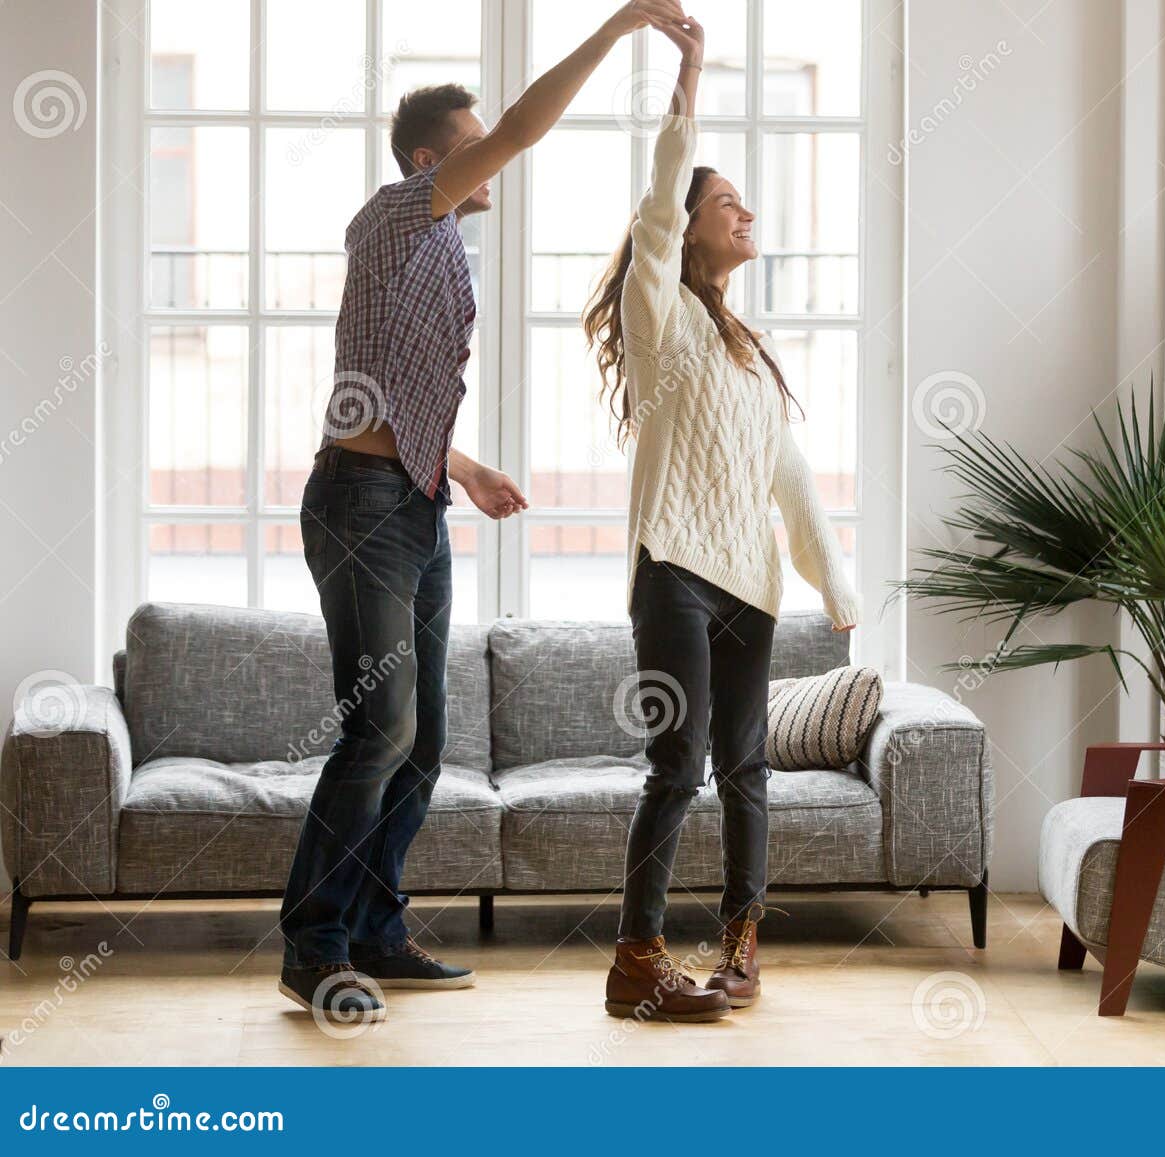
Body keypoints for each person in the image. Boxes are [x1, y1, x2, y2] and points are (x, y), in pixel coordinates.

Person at [279, 1, 691, 1023]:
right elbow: (519, 129)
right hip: (358, 503)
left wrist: (458, 467)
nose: (493, 162)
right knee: (379, 726)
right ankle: (312, 945)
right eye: (470, 148)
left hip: (411, 501)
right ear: (428, 159)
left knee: (422, 740)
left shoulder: (442, 251)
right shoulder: (390, 214)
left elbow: (375, 388)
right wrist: (618, 29)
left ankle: (377, 927)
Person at [582, 14, 861, 1023]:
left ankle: (742, 947)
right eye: (728, 204)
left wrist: (833, 579)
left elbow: (789, 475)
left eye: (747, 205)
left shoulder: (746, 348)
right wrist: (688, 76)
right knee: (679, 760)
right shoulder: (660, 315)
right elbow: (655, 210)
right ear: (690, 226)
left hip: (753, 583)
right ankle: (636, 955)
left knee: (748, 769)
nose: (746, 215)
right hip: (675, 570)